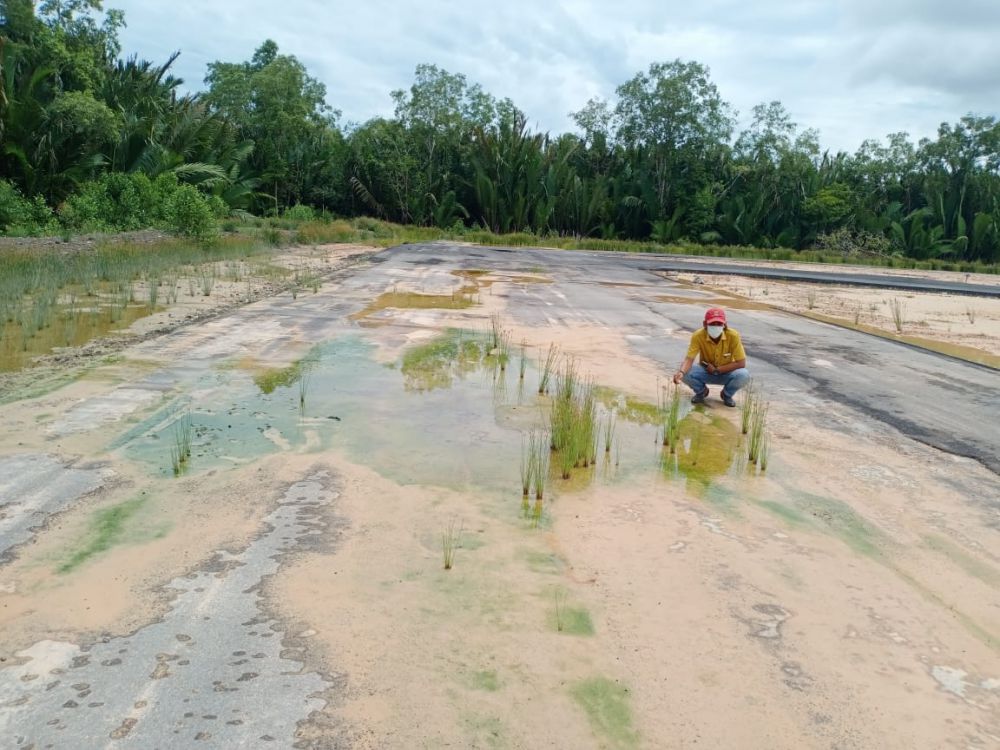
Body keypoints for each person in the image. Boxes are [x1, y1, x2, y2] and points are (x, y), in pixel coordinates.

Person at [672, 307, 750, 407]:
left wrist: (717, 370)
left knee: (744, 375)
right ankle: (701, 392)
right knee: (685, 372)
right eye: (712, 324)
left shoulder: (733, 336)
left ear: (725, 324)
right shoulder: (698, 336)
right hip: (706, 371)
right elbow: (689, 359)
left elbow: (741, 363)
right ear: (705, 324)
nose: (716, 326)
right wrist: (681, 372)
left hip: (726, 372)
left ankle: (726, 395)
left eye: (719, 324)